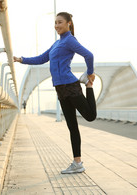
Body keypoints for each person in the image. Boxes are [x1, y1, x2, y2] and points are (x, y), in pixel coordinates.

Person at [13, 12, 97, 174]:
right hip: (60, 88)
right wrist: (21, 59)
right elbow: (41, 58)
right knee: (72, 126)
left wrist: (90, 72)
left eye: (60, 22)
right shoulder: (56, 44)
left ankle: (88, 84)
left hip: (70, 85)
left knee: (90, 116)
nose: (56, 25)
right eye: (55, 23)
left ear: (69, 24)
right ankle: (77, 163)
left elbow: (89, 55)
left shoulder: (70, 40)